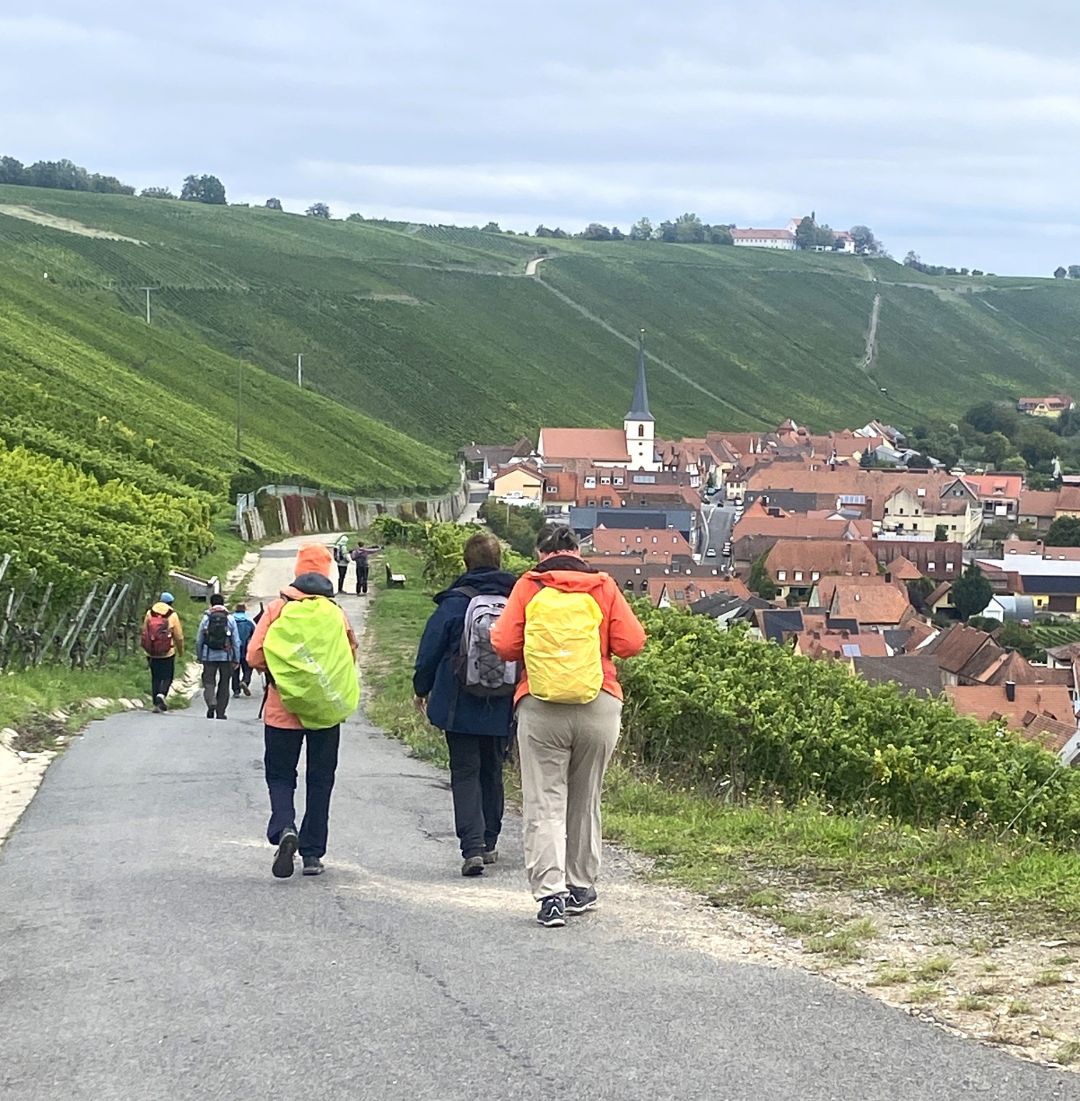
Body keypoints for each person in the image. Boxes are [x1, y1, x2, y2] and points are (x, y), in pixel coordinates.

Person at [491, 523, 646, 928]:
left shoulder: (529, 586)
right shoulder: (603, 586)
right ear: (578, 551)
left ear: (540, 554)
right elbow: (632, 643)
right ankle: (581, 886)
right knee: (585, 798)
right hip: (598, 703)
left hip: (541, 705)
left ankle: (550, 895)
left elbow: (504, 644)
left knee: (544, 802)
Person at [247, 544, 359, 879]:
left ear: (297, 571)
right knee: (321, 780)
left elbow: (253, 655)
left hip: (282, 709)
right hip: (325, 710)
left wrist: (284, 672)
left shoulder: (278, 609)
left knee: (281, 775)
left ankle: (285, 827)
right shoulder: (336, 614)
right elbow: (349, 656)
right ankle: (312, 854)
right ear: (327, 573)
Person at [413, 531, 517, 877]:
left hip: (459, 704)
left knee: (465, 771)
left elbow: (429, 650)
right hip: (502, 702)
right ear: (499, 561)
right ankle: (489, 841)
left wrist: (421, 688)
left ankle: (471, 848)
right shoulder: (517, 601)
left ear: (466, 563)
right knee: (493, 769)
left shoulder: (455, 603)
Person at [195, 593, 240, 720]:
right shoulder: (230, 619)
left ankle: (211, 702)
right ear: (223, 603)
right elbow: (236, 641)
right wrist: (236, 658)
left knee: (209, 681)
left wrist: (200, 656)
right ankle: (221, 712)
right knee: (224, 683)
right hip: (226, 656)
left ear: (211, 604)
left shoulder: (206, 618)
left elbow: (199, 640)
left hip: (208, 656)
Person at [141, 591, 184, 712]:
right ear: (171, 603)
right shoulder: (172, 615)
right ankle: (162, 694)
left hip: (152, 652)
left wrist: (147, 647)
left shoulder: (150, 613)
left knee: (155, 677)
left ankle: (156, 704)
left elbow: (144, 631)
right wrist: (180, 651)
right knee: (167, 676)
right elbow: (179, 636)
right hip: (167, 652)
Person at [231, 602, 256, 697]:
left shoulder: (231, 620)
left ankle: (236, 691)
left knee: (235, 670)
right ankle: (245, 681)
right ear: (245, 610)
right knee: (248, 668)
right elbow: (255, 635)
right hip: (246, 648)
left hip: (234, 648)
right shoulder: (249, 621)